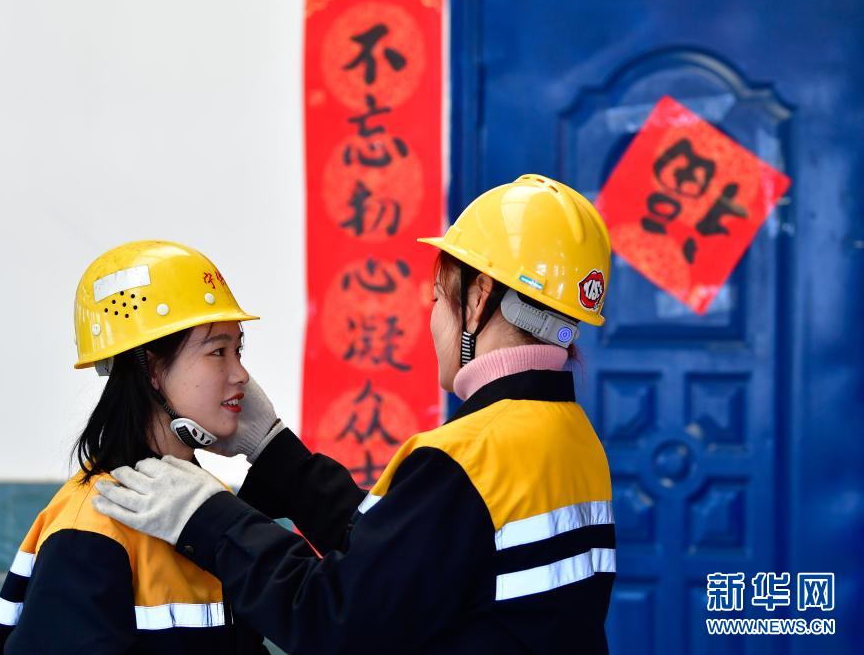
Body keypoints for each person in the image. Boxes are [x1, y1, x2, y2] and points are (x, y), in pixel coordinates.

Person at [94, 175, 617, 654]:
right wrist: (273, 451)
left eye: (437, 297)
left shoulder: (467, 460)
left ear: (478, 298)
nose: (433, 318)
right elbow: (405, 560)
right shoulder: (575, 440)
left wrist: (210, 518)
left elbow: (333, 617)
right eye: (217, 351)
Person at [0, 241, 272, 654]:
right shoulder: (93, 528)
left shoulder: (209, 506)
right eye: (217, 352)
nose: (241, 374)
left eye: (238, 350)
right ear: (151, 368)